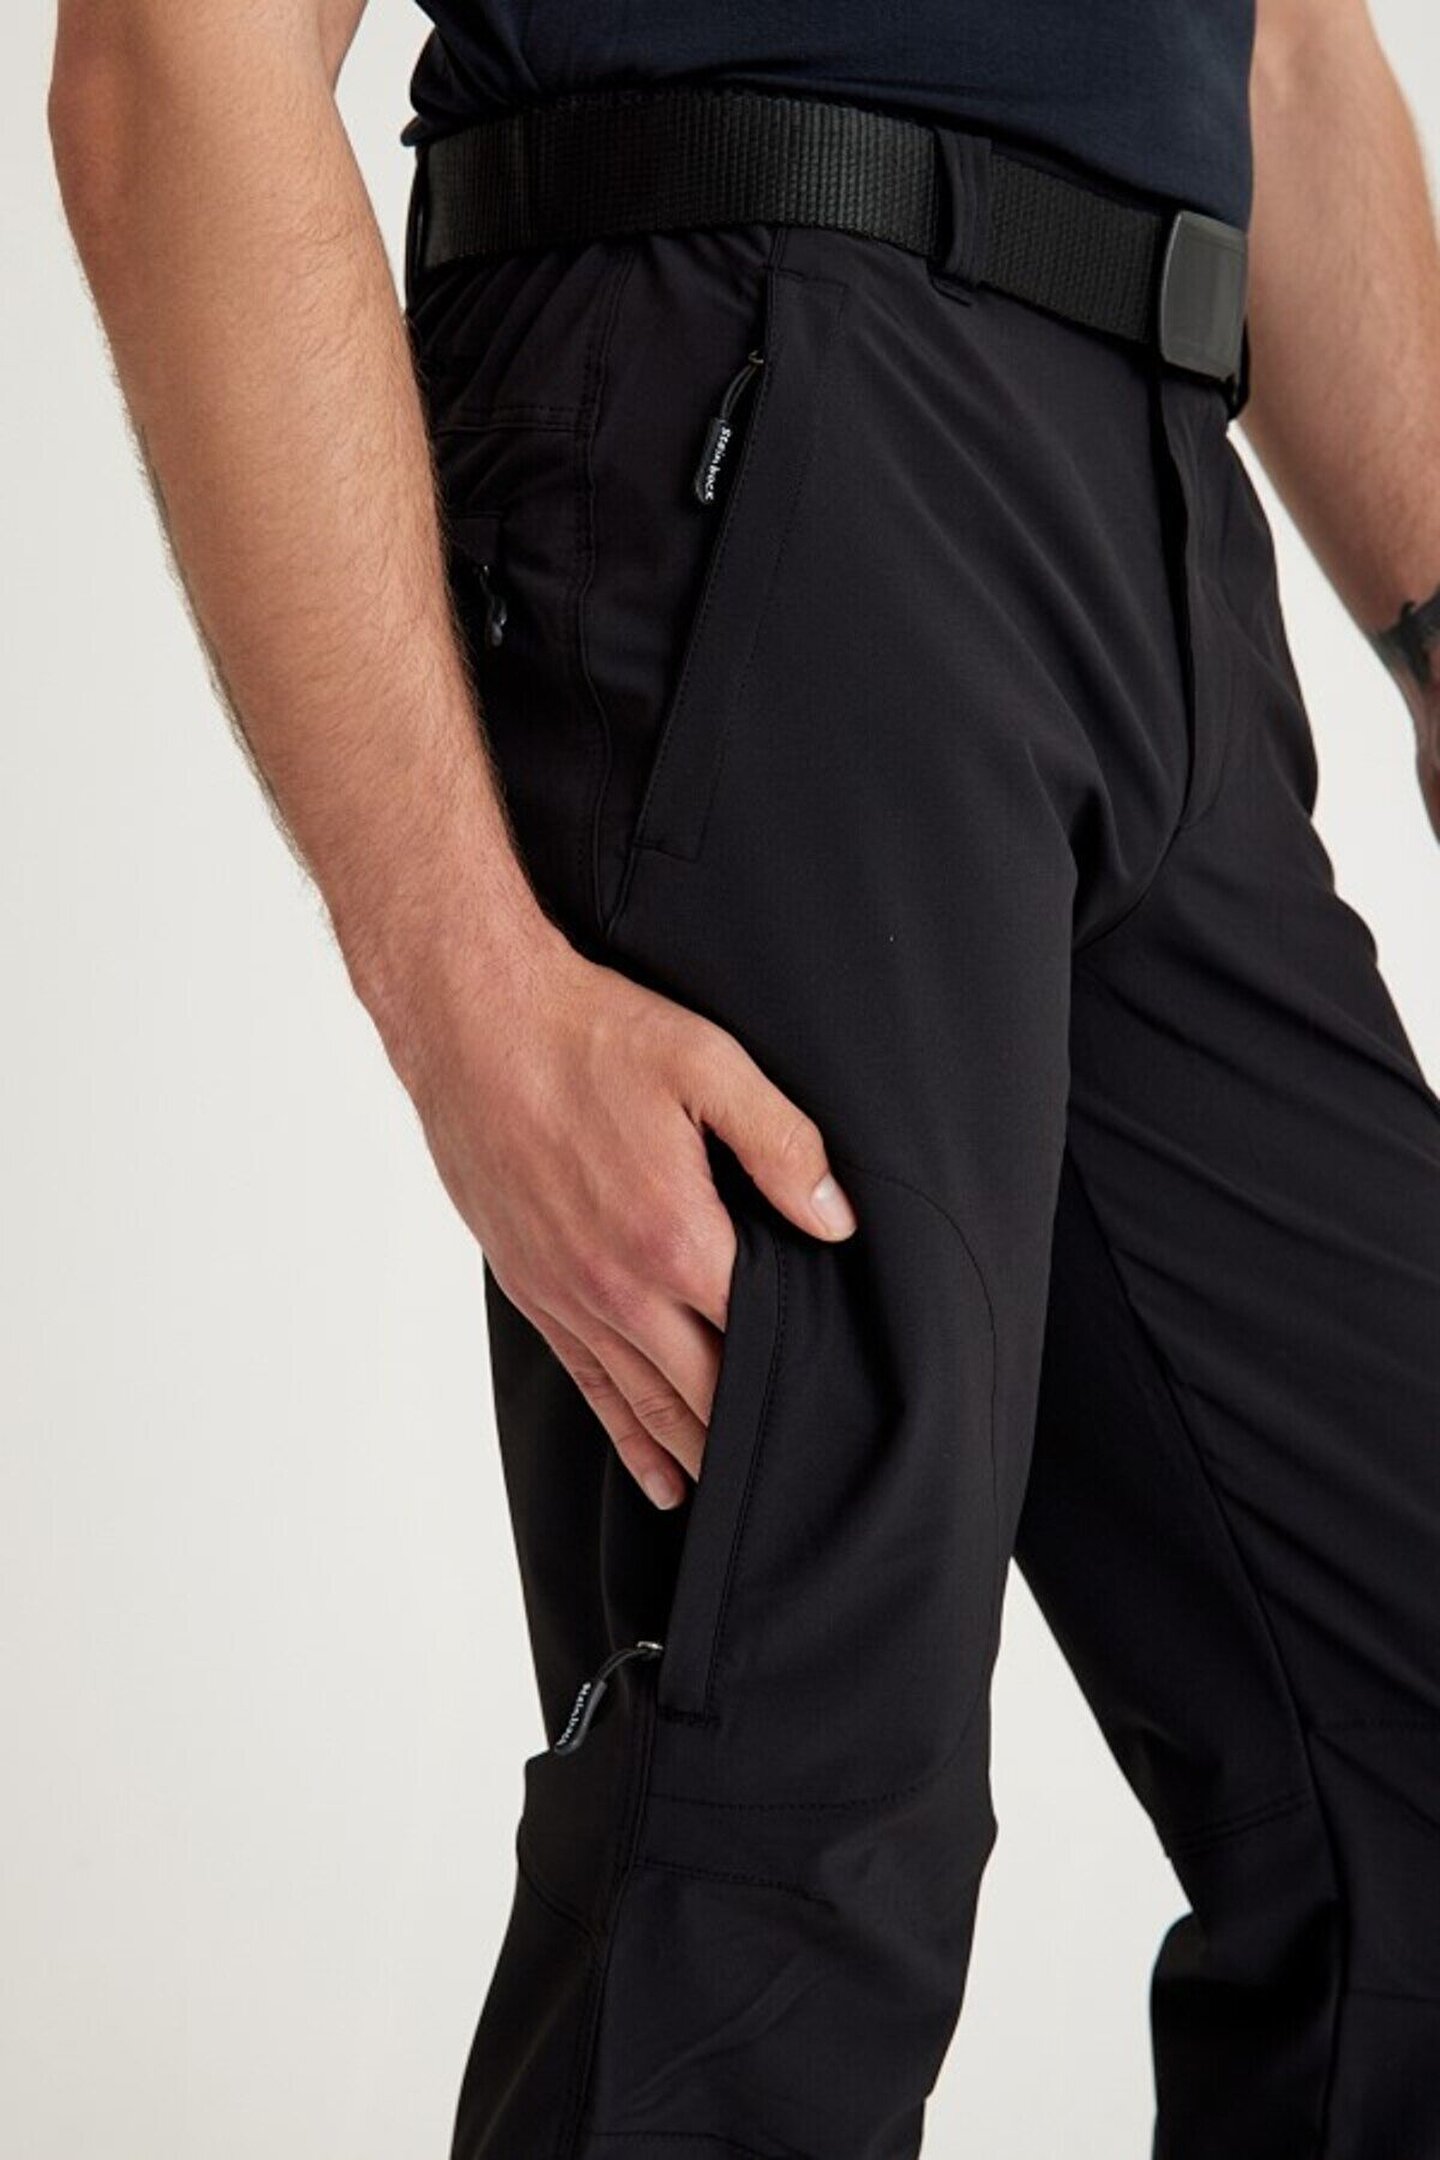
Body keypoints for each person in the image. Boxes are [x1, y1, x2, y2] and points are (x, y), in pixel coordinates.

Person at [48, 0, 1440, 2152]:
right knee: (784, 1819)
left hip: (1162, 500)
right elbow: (175, 52)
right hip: (768, 417)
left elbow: (1279, 52)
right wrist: (460, 979)